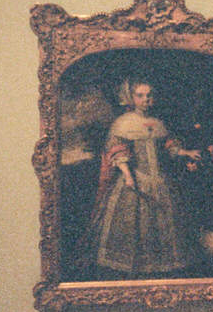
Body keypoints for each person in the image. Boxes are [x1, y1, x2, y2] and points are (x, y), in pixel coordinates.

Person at [84, 79, 202, 277]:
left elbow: (168, 146)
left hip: (160, 180)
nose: (146, 99)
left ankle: (160, 268)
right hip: (134, 179)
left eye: (149, 95)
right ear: (131, 97)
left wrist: (186, 152)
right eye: (141, 95)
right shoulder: (123, 123)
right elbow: (116, 151)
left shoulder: (157, 123)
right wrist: (128, 176)